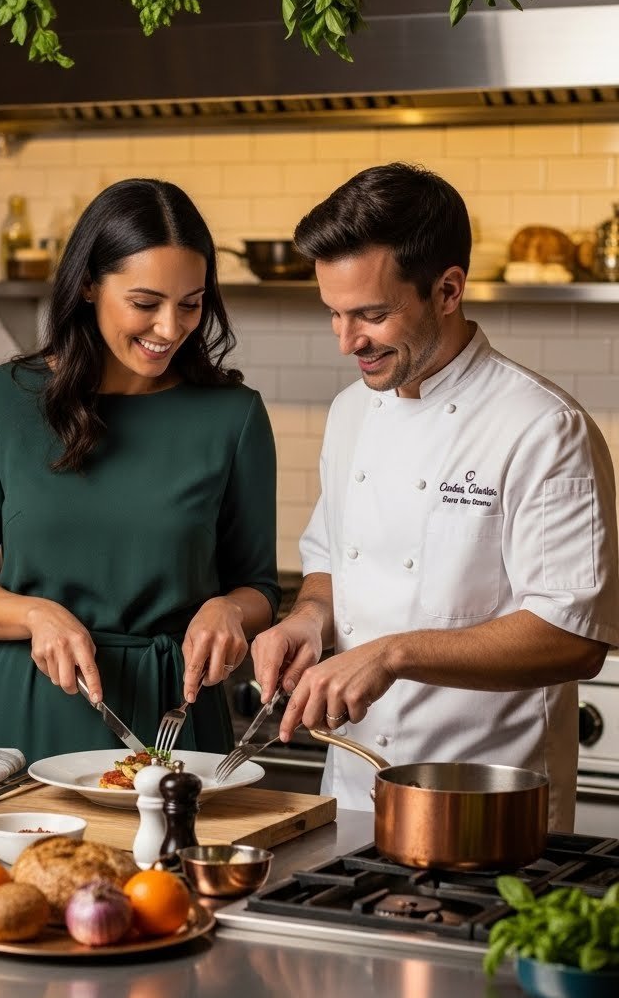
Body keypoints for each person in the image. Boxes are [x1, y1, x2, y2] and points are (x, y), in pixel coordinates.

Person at [251, 162, 619, 831]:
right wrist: (309, 618)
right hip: (354, 794)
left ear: (447, 290)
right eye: (334, 313)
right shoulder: (350, 411)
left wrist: (391, 654)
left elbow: (573, 636)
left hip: (489, 804)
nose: (348, 341)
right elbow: (331, 561)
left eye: (372, 314)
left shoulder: (543, 426)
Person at [0, 178, 279, 760]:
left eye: (190, 304)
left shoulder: (234, 416)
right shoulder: (0, 399)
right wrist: (35, 615)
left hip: (174, 717)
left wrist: (229, 609)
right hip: (30, 709)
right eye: (145, 303)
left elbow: (259, 586)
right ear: (88, 284)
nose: (169, 328)